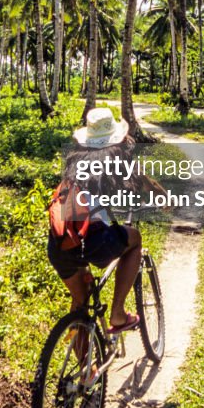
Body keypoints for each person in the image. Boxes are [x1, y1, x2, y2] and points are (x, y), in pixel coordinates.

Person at [47, 107, 153, 334]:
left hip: (59, 243)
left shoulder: (74, 160)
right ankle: (118, 313)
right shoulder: (115, 156)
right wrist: (161, 196)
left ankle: (88, 367)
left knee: (81, 302)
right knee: (134, 239)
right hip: (93, 240)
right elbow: (138, 180)